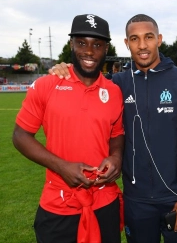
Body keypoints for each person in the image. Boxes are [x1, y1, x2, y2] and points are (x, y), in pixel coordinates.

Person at [49, 14, 177, 243]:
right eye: (134, 39)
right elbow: (86, 78)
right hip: (136, 201)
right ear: (126, 43)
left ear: (159, 39)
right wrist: (65, 68)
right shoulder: (117, 84)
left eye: (148, 37)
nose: (142, 45)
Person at [12, 14, 125, 243]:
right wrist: (61, 167)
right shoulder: (47, 85)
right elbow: (20, 135)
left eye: (97, 45)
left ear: (106, 48)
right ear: (71, 44)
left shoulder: (113, 91)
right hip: (59, 202)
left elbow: (117, 133)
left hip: (104, 201)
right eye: (82, 43)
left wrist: (116, 157)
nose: (90, 51)